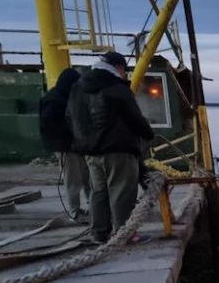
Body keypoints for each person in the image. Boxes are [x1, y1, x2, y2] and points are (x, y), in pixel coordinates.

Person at [67, 51, 154, 244]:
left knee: (98, 191)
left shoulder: (77, 88)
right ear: (119, 67)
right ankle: (125, 233)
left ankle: (99, 233)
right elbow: (134, 117)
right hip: (118, 149)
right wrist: (149, 134)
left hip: (90, 151)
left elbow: (70, 117)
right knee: (122, 190)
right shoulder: (117, 88)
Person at [40, 67, 90, 220]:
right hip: (65, 147)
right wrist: (70, 135)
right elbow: (50, 125)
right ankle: (74, 211)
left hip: (74, 145)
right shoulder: (55, 100)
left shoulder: (61, 97)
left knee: (85, 176)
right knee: (73, 179)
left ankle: (91, 206)